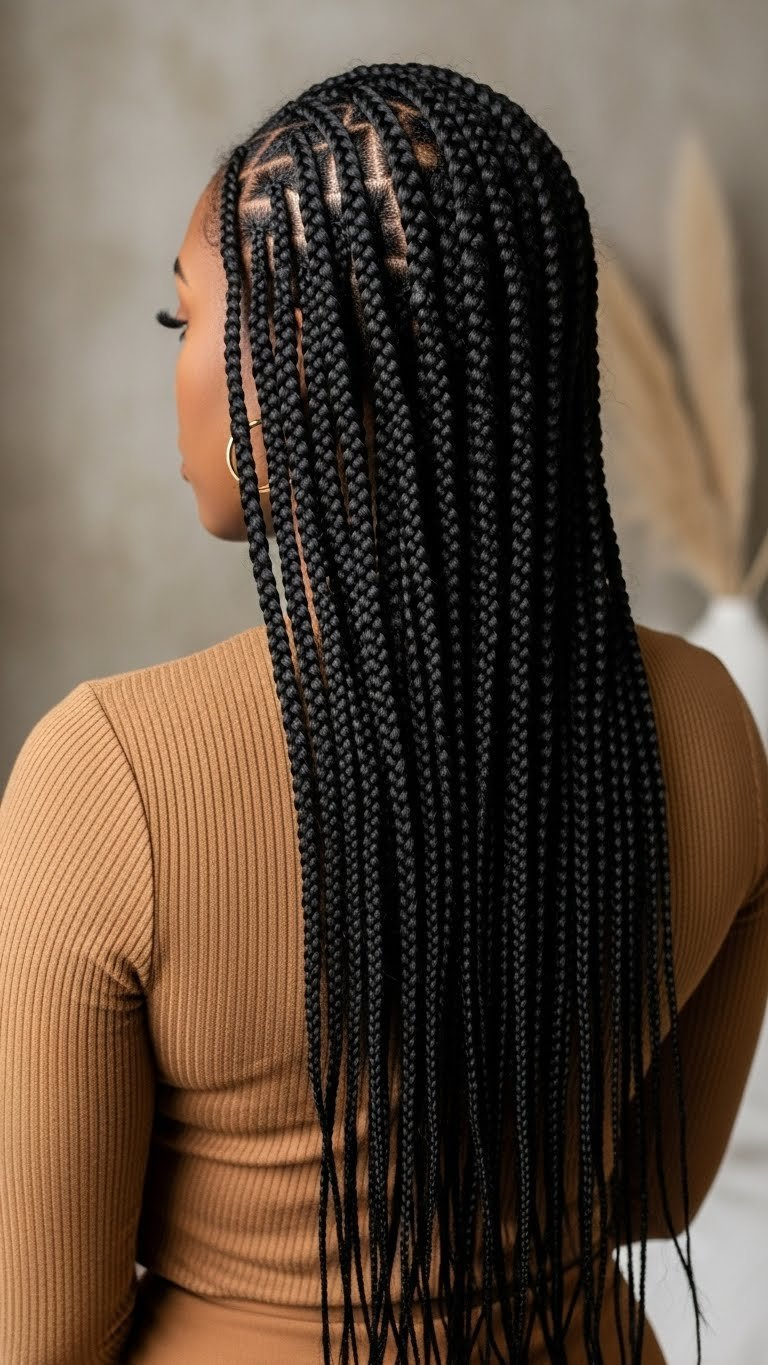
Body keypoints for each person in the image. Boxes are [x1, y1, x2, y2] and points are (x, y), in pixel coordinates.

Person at [1, 60, 767, 1365]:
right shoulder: (708, 722)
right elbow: (657, 1186)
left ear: (291, 360)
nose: (179, 370)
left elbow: (42, 1329)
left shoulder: (109, 775)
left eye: (181, 322)